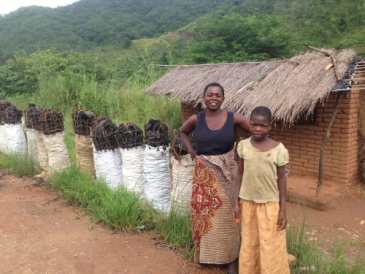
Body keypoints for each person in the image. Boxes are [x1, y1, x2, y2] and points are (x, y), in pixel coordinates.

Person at [180, 82, 250, 274]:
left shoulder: (233, 118)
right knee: (205, 214)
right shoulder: (196, 119)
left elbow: (256, 130)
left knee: (229, 216)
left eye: (217, 95)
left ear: (223, 98)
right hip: (204, 172)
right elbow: (182, 132)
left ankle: (230, 259)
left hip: (228, 171)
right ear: (204, 98)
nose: (213, 98)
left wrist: (243, 152)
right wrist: (192, 151)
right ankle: (207, 256)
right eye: (209, 94)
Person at [236, 106, 290, 274]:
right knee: (249, 242)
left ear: (270, 126)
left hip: (270, 204)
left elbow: (282, 180)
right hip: (247, 202)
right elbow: (239, 173)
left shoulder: (279, 150)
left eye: (263, 125)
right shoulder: (243, 146)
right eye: (254, 125)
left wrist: (283, 209)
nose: (258, 129)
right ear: (249, 124)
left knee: (270, 244)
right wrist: (235, 201)